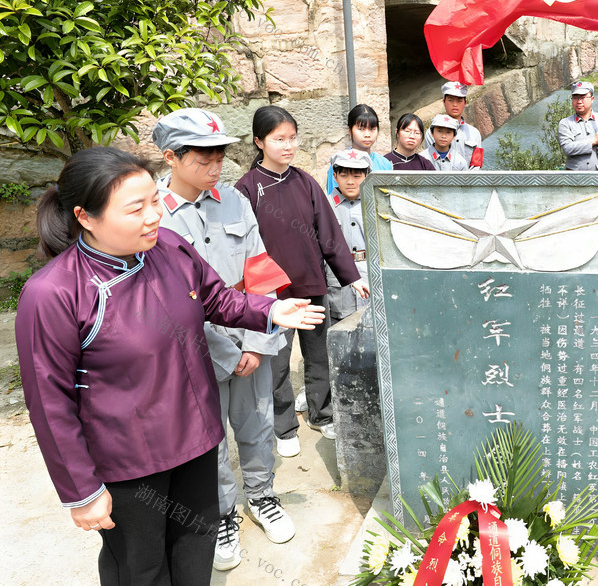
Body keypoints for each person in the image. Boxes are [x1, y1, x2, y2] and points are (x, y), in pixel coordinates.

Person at [16, 146, 324, 585]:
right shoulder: (54, 293)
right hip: (129, 463)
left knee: (195, 549)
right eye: (135, 208)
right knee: (141, 568)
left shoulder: (170, 248)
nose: (153, 216)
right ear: (85, 217)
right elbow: (49, 401)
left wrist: (270, 311)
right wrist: (81, 490)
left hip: (196, 440)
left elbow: (217, 298)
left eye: (154, 201)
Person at [151, 109, 295, 572]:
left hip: (249, 334)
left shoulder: (235, 201)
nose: (216, 166)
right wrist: (225, 353)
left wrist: (255, 343)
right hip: (195, 350)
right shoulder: (153, 215)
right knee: (208, 440)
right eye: (204, 157)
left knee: (257, 423)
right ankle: (222, 513)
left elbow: (260, 271)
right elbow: (163, 302)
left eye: (220, 156)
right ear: (171, 157)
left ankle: (262, 495)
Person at [235, 106, 368, 458]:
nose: (288, 146)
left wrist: (351, 276)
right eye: (279, 139)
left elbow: (329, 233)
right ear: (259, 141)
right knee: (276, 362)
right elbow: (242, 246)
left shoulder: (305, 181)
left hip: (311, 284)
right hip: (272, 296)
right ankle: (283, 426)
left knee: (319, 355)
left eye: (292, 138)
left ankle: (321, 413)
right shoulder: (247, 188)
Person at [326, 149, 372, 320]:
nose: (350, 182)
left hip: (370, 277)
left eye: (357, 176)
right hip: (338, 285)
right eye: (344, 175)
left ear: (367, 176)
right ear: (335, 176)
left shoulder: (375, 204)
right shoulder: (325, 206)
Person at [326, 104, 393, 194]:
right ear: (349, 130)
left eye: (372, 129)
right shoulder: (339, 163)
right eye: (361, 129)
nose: (367, 135)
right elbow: (333, 197)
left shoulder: (385, 164)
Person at [557, 81, 598, 170]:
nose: (579, 102)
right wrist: (593, 141)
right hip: (574, 175)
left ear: (592, 99)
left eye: (583, 97)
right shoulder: (565, 123)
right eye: (575, 98)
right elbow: (567, 148)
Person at [423, 81, 484, 168]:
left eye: (459, 101)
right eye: (450, 100)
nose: (455, 104)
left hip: (467, 176)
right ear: (444, 101)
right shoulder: (431, 133)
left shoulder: (475, 133)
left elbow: (477, 164)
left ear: (465, 102)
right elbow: (429, 161)